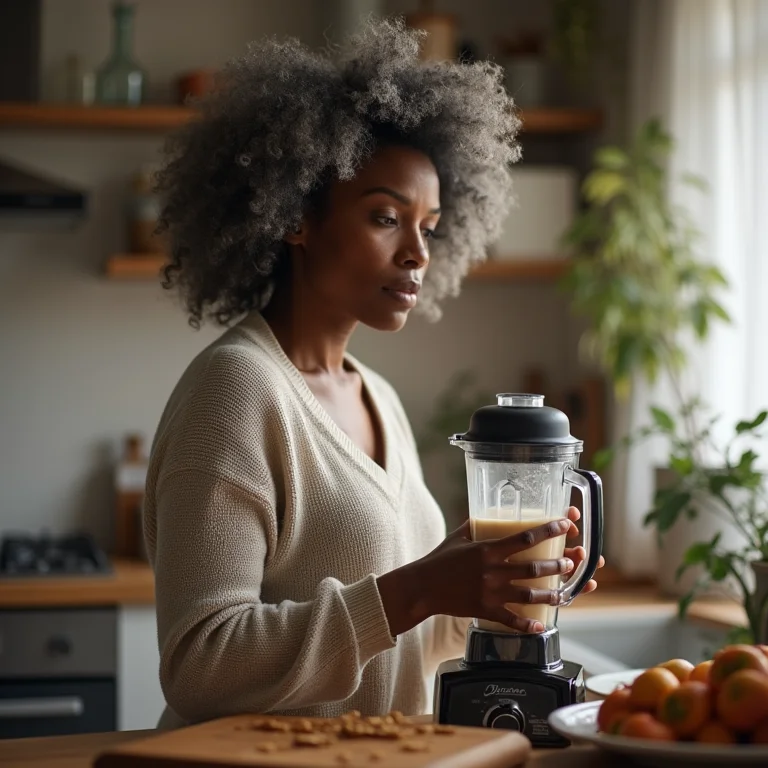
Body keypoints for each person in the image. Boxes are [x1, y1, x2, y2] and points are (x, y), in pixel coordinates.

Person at [144, 18, 604, 730]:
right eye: (387, 217)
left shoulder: (377, 396)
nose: (418, 252)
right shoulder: (235, 392)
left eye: (430, 225)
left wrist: (487, 588)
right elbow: (200, 664)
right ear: (297, 216)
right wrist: (417, 590)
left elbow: (398, 647)